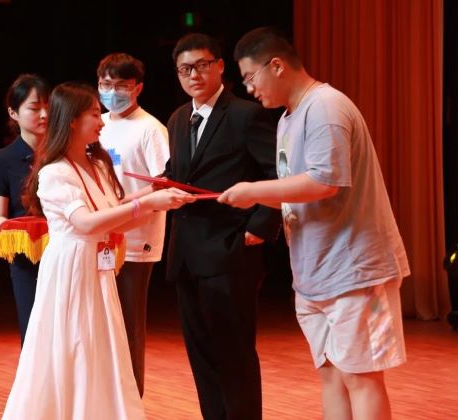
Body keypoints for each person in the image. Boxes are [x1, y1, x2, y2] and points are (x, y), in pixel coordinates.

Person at [220, 27, 410, 420]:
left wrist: (255, 191)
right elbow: (295, 190)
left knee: (361, 377)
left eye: (251, 78)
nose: (250, 89)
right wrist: (252, 195)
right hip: (313, 273)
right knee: (331, 376)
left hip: (355, 270)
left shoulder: (325, 106)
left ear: (276, 66)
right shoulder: (287, 119)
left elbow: (325, 181)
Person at [1, 82, 194, 419]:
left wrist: (158, 203)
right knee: (74, 345)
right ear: (72, 120)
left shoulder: (98, 166)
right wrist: (146, 202)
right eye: (94, 114)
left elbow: (115, 221)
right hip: (70, 268)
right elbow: (86, 223)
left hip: (96, 267)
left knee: (100, 347)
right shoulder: (54, 172)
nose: (102, 120)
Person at [161, 33, 281, 420]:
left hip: (230, 251)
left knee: (234, 354)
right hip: (186, 255)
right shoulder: (178, 119)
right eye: (185, 69)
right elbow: (179, 173)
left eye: (201, 65)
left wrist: (259, 227)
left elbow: (277, 174)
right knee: (201, 355)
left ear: (219, 66)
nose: (194, 75)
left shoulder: (246, 114)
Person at [96, 52, 170, 397]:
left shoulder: (151, 129)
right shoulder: (96, 124)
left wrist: (126, 205)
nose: (112, 92)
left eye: (121, 86)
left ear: (138, 87)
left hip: (136, 241)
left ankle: (130, 403)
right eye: (105, 84)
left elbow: (163, 183)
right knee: (100, 326)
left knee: (128, 326)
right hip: (98, 236)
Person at [0, 74, 51, 345]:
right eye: (34, 108)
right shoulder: (2, 160)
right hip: (28, 258)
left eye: (48, 107)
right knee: (35, 334)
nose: (44, 114)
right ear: (13, 113)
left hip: (67, 253)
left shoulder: (66, 154)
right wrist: (27, 229)